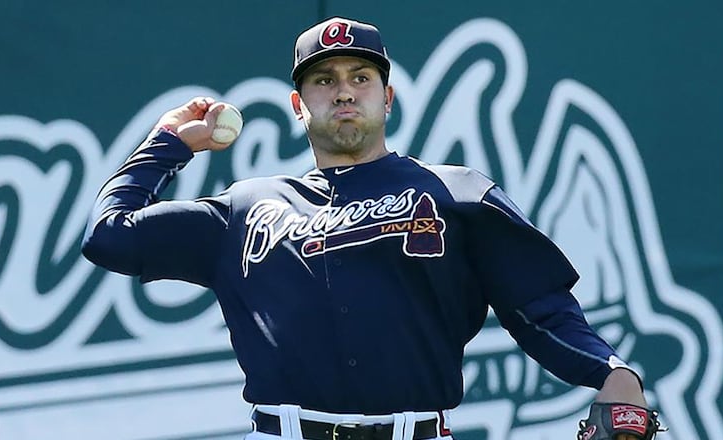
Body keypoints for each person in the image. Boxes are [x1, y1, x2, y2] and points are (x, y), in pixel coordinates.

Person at [82, 16, 660, 440]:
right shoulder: (246, 208)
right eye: (324, 80)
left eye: (360, 77)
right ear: (298, 104)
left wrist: (611, 373)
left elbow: (541, 308)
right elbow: (109, 235)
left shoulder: (456, 192)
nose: (343, 91)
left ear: (387, 97)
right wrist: (167, 144)